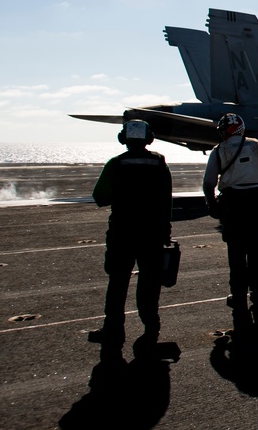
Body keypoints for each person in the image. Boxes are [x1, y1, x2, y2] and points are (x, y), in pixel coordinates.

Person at [88, 120, 173, 348]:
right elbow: (166, 200)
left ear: (123, 138)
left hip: (122, 233)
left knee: (117, 283)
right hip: (152, 233)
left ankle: (113, 330)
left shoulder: (116, 164)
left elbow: (100, 197)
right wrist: (165, 231)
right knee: (149, 283)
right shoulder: (159, 163)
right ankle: (151, 328)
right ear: (149, 139)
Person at [203, 113, 258, 327]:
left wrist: (212, 204)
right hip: (257, 203)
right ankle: (257, 295)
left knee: (236, 254)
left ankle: (239, 298)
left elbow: (208, 182)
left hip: (233, 205)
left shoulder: (219, 150)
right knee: (255, 252)